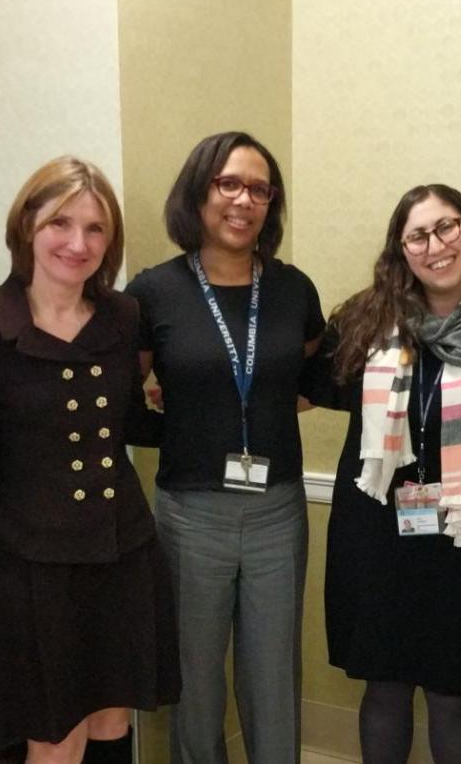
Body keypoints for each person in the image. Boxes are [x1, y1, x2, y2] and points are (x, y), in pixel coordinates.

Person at [0, 157, 179, 764]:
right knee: (54, 738)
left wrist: (211, 416)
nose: (78, 243)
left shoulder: (123, 317)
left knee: (111, 722)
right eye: (60, 223)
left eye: (96, 229)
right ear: (27, 227)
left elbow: (125, 420)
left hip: (120, 550)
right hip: (26, 566)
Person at [302, 185, 461, 764]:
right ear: (401, 250)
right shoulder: (363, 321)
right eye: (418, 235)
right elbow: (297, 385)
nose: (435, 245)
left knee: (454, 693)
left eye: (447, 227)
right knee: (385, 686)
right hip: (377, 532)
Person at [124, 132, 325, 764]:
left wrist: (250, 411)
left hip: (277, 510)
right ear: (199, 191)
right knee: (196, 685)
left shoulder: (294, 289)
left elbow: (309, 378)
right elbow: (125, 399)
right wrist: (183, 427)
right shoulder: (153, 290)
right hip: (189, 514)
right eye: (228, 184)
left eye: (259, 189)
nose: (244, 200)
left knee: (273, 679)